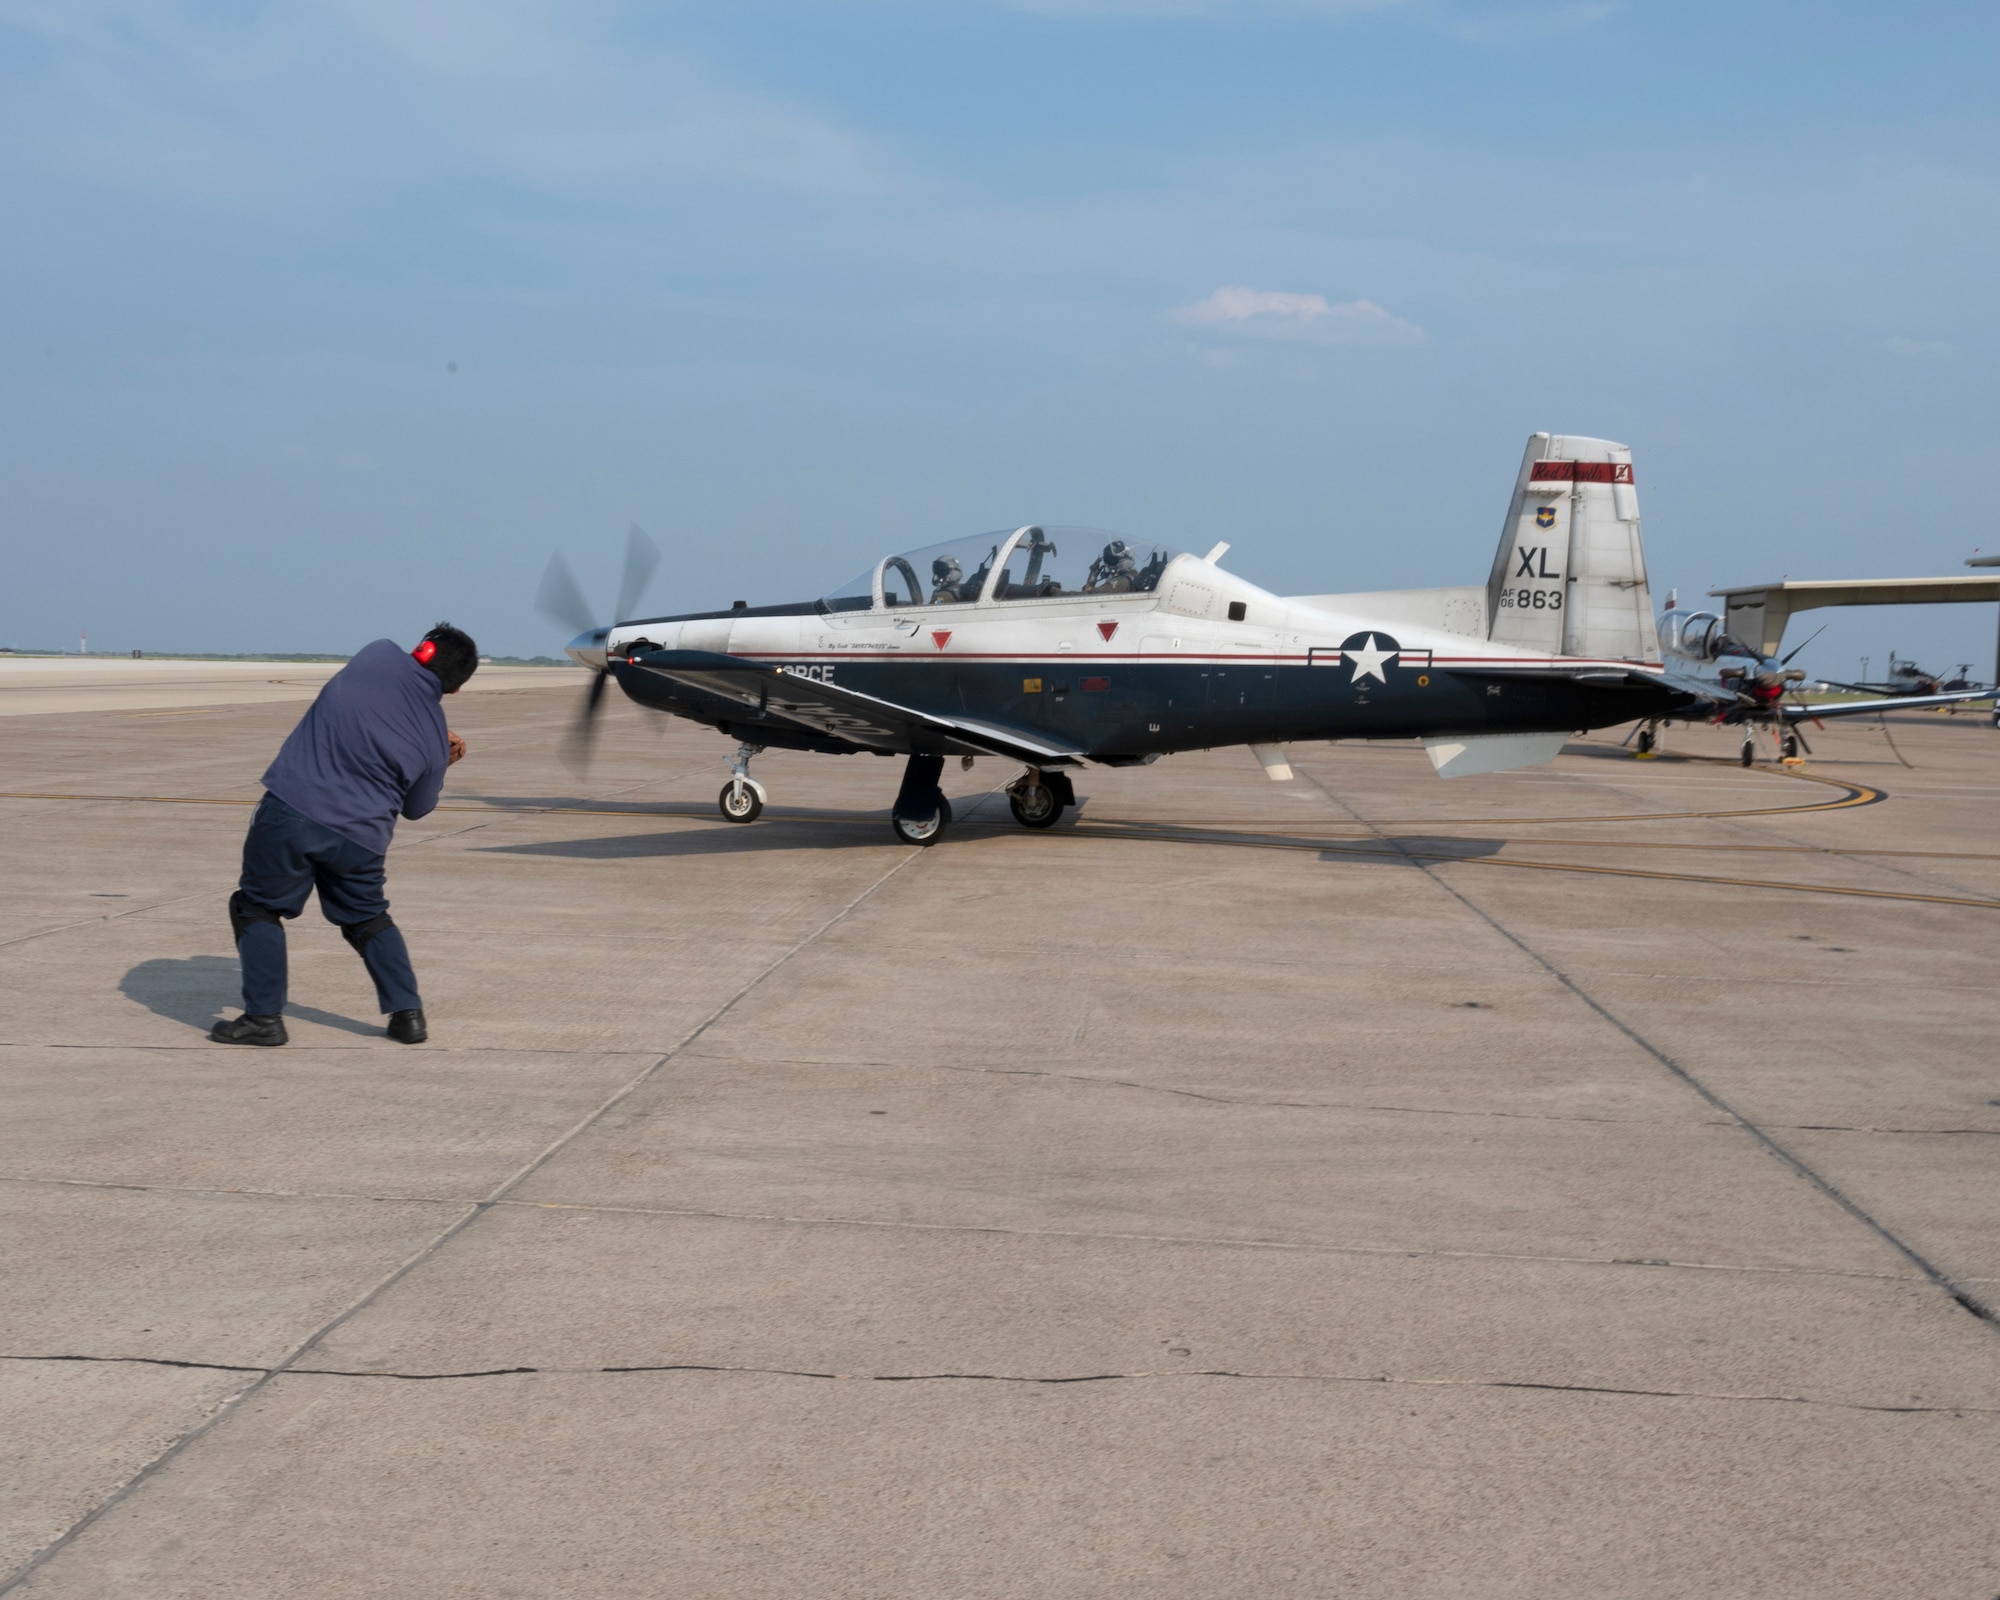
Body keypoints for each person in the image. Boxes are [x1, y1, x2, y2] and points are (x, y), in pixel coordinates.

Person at [209, 624, 478, 1047]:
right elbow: (417, 808)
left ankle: (263, 1020)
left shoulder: (377, 654)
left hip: (291, 814)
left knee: (257, 908)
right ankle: (408, 1016)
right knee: (368, 919)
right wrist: (441, 761)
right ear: (456, 690)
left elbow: (384, 702)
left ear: (421, 649)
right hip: (360, 839)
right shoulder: (433, 739)